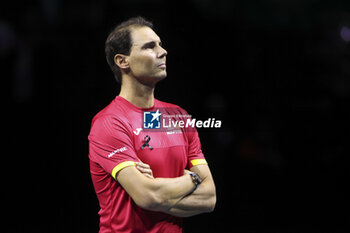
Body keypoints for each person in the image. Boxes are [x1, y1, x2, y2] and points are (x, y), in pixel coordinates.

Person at [88, 16, 216, 233]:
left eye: (160, 44)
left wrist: (155, 194)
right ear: (122, 61)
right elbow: (147, 196)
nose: (162, 51)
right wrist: (192, 180)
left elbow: (210, 198)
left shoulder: (179, 116)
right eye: (149, 46)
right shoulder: (109, 123)